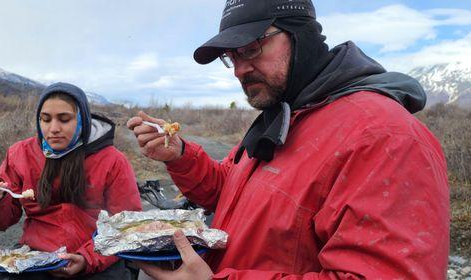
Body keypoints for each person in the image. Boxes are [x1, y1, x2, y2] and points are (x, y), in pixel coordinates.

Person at [127, 0, 449, 279]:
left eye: (251, 48)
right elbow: (228, 192)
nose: (239, 70)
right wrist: (180, 155)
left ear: (300, 34)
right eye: (231, 56)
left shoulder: (384, 138)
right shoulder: (283, 116)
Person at [0, 82, 142, 279]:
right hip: (37, 256)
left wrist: (86, 258)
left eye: (64, 119)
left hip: (98, 253)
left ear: (82, 120)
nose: (53, 129)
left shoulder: (112, 160)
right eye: (45, 120)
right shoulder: (21, 154)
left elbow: (125, 224)